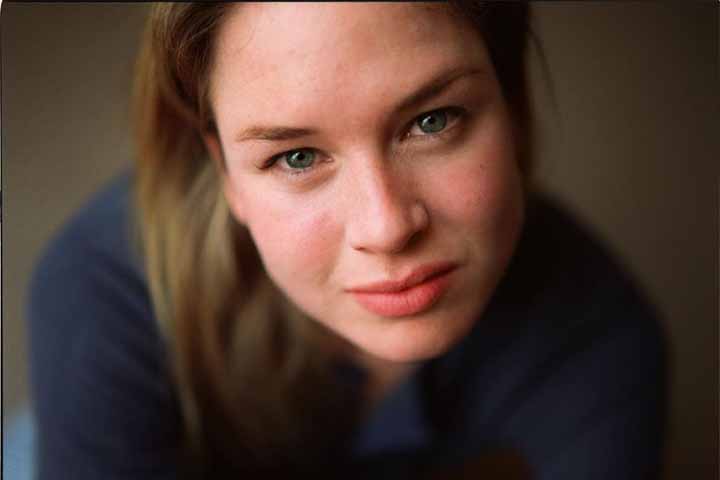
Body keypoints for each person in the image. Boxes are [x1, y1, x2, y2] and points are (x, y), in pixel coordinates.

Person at [27, 2, 668, 479]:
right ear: (226, 174)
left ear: (513, 108)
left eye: (432, 121)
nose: (386, 228)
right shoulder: (103, 290)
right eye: (298, 157)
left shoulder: (599, 333)